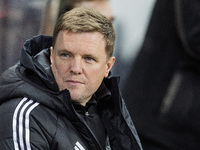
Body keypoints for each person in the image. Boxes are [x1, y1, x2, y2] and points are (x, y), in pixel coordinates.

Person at [0, 7, 142, 150]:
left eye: (88, 59)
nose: (75, 68)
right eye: (65, 55)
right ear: (51, 57)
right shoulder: (25, 118)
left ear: (108, 66)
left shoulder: (107, 111)